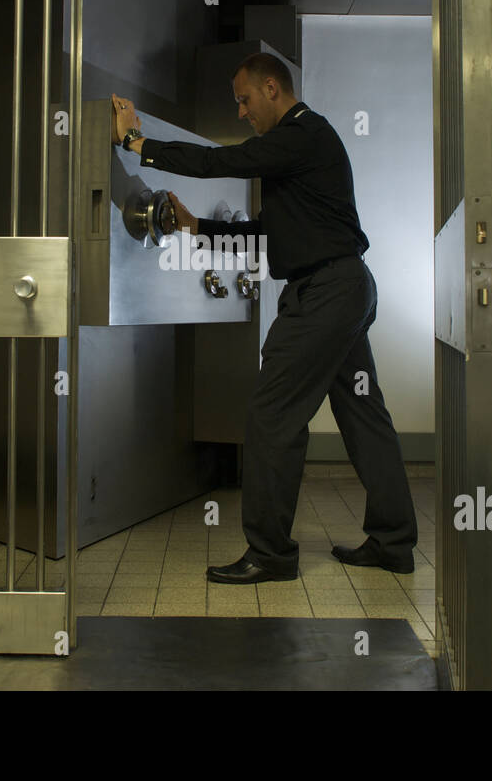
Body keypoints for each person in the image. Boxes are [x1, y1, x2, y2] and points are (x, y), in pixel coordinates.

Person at [111, 52, 417, 583]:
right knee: (364, 416)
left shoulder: (303, 135)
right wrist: (196, 227)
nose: (240, 112)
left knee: (272, 414)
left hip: (324, 294)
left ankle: (271, 554)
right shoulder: (301, 151)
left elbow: (222, 161)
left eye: (244, 99)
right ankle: (393, 541)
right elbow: (266, 233)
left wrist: (136, 143)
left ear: (271, 88)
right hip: (340, 288)